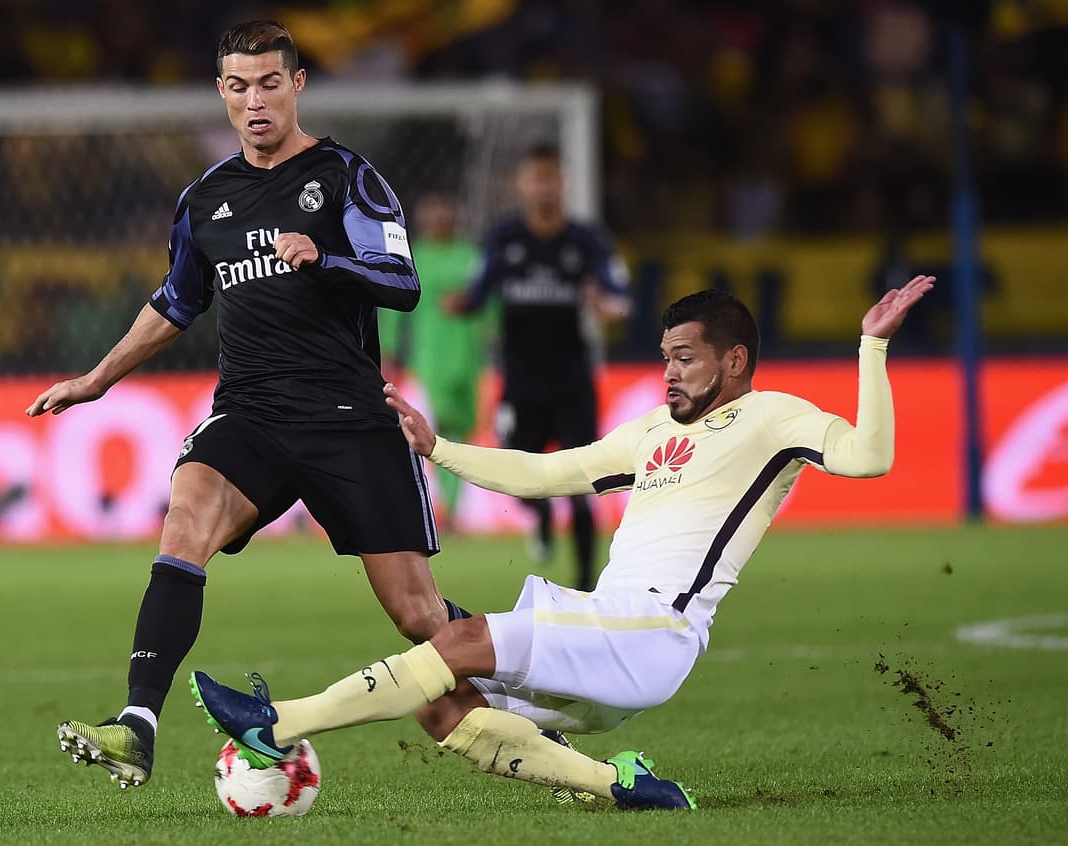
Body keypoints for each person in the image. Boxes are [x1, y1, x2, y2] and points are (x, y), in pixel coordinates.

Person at [187, 277, 935, 810]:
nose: (668, 371)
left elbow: (869, 456)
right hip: (609, 630)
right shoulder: (651, 431)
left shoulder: (774, 417)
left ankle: (277, 722)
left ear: (734, 362)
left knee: (460, 639)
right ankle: (620, 786)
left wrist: (872, 347)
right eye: (666, 355)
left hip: (656, 632)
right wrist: (439, 448)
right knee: (441, 704)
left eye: (686, 357)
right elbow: (550, 473)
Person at [25, 20, 470, 791]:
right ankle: (138, 725)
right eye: (239, 86)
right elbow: (174, 303)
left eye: (270, 83)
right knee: (184, 515)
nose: (255, 101)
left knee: (419, 618)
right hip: (252, 412)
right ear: (221, 94)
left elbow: (404, 283)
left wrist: (325, 257)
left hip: (348, 419)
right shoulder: (206, 199)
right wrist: (98, 378)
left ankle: (523, 704)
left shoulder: (345, 177)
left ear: (297, 85)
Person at [446, 143, 631, 590]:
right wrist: (460, 304)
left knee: (586, 480)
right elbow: (477, 290)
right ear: (522, 185)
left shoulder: (586, 240)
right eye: (535, 178)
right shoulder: (504, 239)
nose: (543, 187)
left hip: (571, 382)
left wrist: (606, 305)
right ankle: (542, 513)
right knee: (516, 474)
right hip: (520, 382)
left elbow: (618, 298)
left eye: (551, 178)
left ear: (563, 182)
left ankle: (588, 582)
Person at [381, 192, 488, 528]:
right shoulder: (415, 259)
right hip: (428, 361)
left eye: (445, 209)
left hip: (469, 359)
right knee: (431, 433)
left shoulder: (472, 257)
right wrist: (388, 349)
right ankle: (432, 509)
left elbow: (491, 301)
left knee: (463, 433)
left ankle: (454, 511)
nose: (440, 217)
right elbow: (394, 307)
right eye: (433, 211)